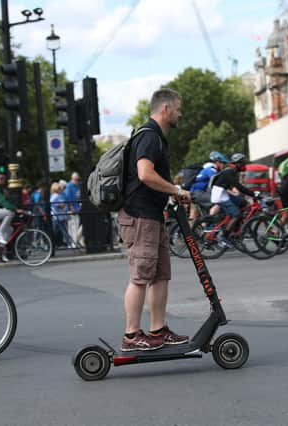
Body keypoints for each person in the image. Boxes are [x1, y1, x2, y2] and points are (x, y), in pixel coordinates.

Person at [118, 88, 190, 352]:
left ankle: (158, 330)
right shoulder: (149, 137)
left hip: (152, 216)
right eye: (179, 108)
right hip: (139, 218)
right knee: (140, 277)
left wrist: (170, 196)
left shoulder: (156, 137)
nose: (181, 114)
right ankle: (131, 335)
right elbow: (145, 174)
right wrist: (176, 190)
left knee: (160, 276)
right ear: (166, 109)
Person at [210, 153, 256, 247]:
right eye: (242, 164)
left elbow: (235, 187)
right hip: (220, 195)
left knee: (243, 203)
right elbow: (238, 186)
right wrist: (252, 194)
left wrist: (245, 196)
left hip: (223, 193)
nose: (244, 166)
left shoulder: (233, 171)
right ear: (237, 163)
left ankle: (234, 231)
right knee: (237, 214)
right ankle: (224, 237)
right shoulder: (230, 171)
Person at [189, 151, 229, 220]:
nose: (225, 165)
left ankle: (200, 228)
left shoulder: (211, 170)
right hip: (198, 193)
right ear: (217, 162)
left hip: (195, 193)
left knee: (195, 218)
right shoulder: (211, 170)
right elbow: (218, 183)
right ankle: (209, 224)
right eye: (223, 163)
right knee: (218, 203)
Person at [50, 182, 72, 247]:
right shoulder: (56, 196)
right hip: (57, 216)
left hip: (59, 216)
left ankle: (68, 243)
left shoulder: (55, 195)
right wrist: (61, 205)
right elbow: (53, 204)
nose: (60, 190)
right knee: (59, 231)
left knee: (60, 230)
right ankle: (68, 243)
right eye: (59, 188)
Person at [65, 172, 81, 245]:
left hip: (77, 208)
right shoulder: (69, 186)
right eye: (75, 179)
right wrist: (71, 208)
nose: (76, 181)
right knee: (73, 227)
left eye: (77, 179)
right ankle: (73, 242)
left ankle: (75, 241)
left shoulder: (77, 185)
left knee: (76, 226)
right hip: (72, 209)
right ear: (72, 179)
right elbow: (68, 198)